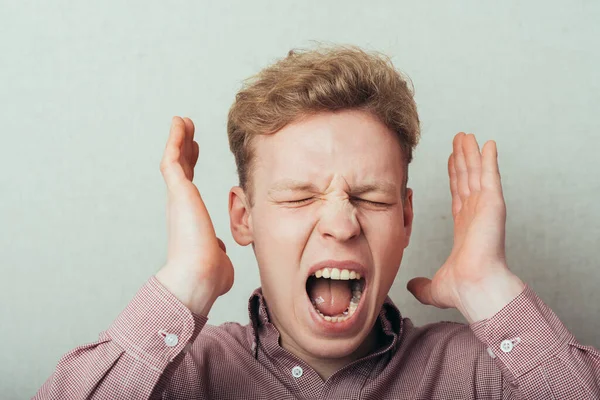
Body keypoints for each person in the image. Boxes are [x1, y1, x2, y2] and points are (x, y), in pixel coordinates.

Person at [34, 45, 600, 400]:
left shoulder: (484, 374)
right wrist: (186, 279)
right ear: (242, 216)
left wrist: (489, 287)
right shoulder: (178, 377)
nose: (340, 223)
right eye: (299, 196)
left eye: (371, 198)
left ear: (406, 219)